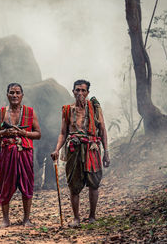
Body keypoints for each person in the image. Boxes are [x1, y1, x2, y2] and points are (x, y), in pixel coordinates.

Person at [51, 79, 110, 227]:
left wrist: (106, 152)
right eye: (77, 90)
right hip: (74, 149)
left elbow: (102, 130)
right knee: (73, 184)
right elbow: (63, 133)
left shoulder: (95, 109)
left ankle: (92, 216)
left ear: (88, 92)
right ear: (73, 92)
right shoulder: (67, 110)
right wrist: (57, 149)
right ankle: (76, 218)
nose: (80, 93)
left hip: (92, 148)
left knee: (94, 183)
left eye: (83, 90)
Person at [0, 83, 41, 227]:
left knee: (27, 184)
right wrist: (3, 133)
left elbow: (38, 134)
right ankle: (5, 220)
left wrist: (25, 133)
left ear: (22, 95)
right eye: (12, 93)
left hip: (25, 152)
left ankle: (27, 219)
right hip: (6, 153)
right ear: (7, 95)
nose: (15, 95)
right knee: (5, 184)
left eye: (17, 93)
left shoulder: (30, 112)